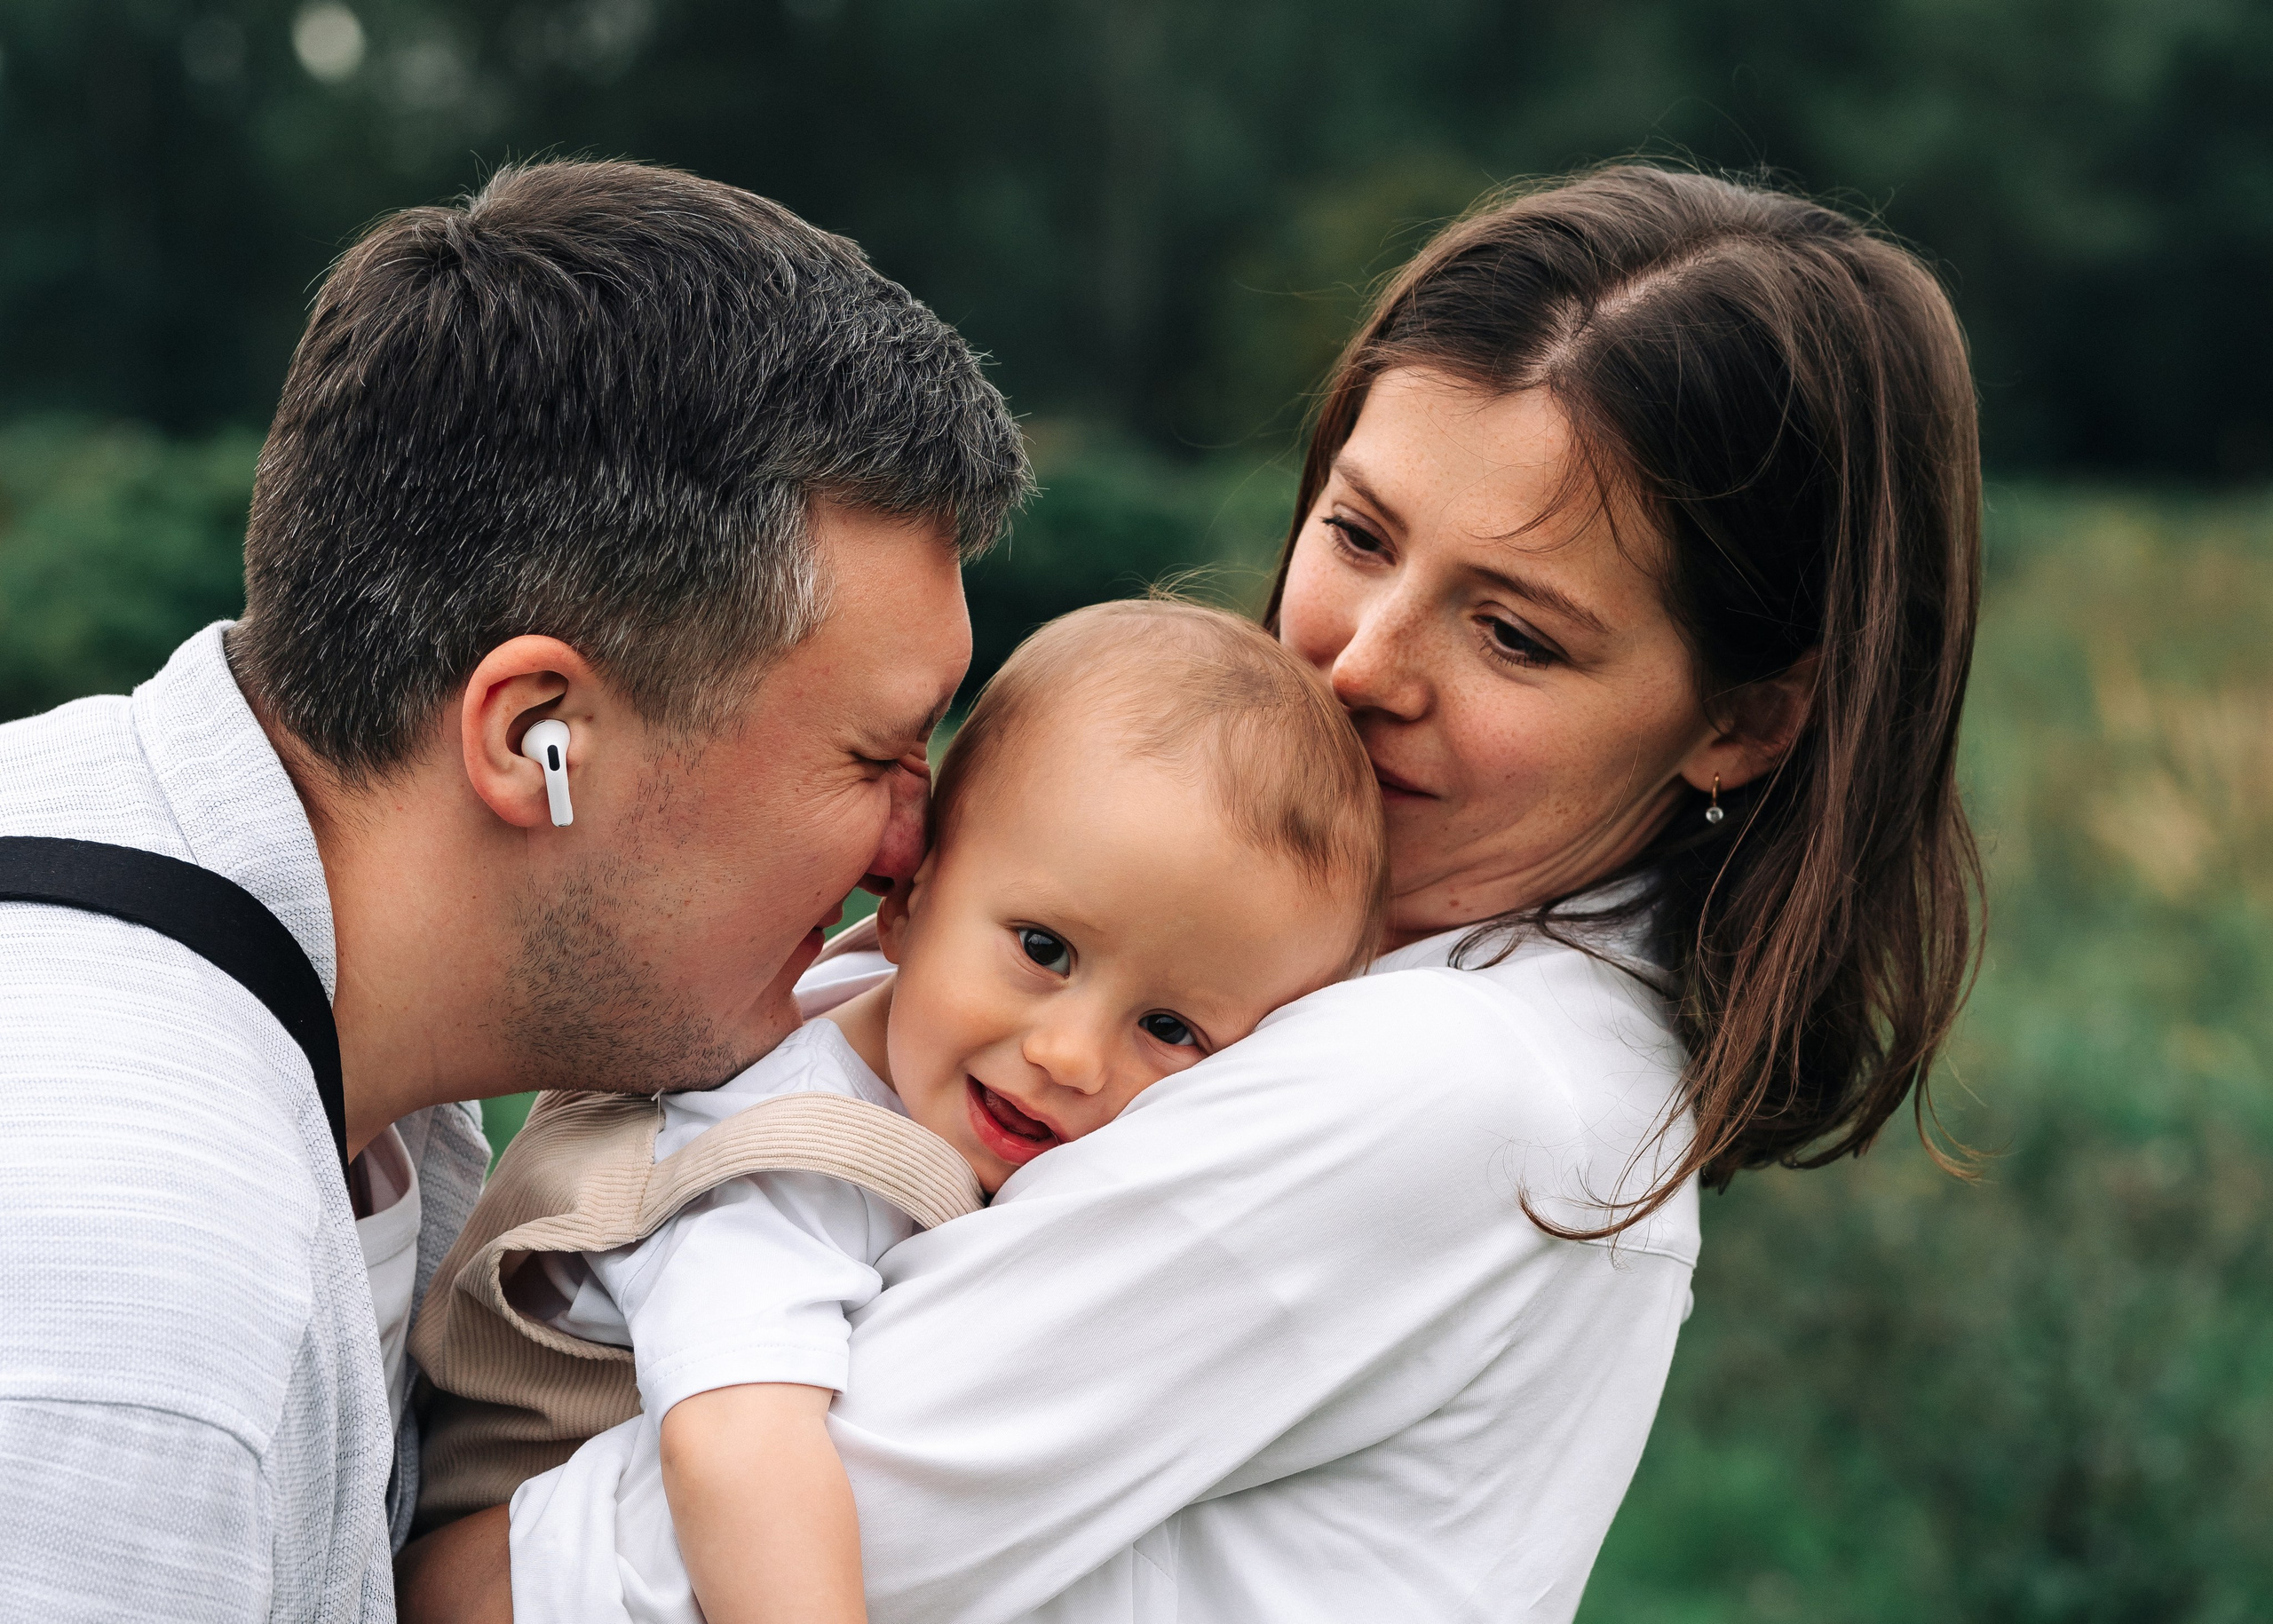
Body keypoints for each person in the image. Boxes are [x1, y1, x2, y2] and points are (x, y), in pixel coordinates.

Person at [389, 163, 1985, 1624]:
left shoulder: (1455, 1083)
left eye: (1515, 634)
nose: (1362, 661)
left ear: (1744, 718)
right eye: (1358, 533)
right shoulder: (1341, 977)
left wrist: (416, 1546)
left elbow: (620, 1588)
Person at [0, 158, 1027, 1620]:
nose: (912, 848)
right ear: (534, 733)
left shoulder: (325, 1027)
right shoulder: (137, 1296)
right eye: (876, 754)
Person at [416, 600, 1388, 1624]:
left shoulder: (880, 1015)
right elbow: (737, 1442)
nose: (1068, 1053)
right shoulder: (797, 1157)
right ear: (910, 895)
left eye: (1169, 1026)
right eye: (1044, 949)